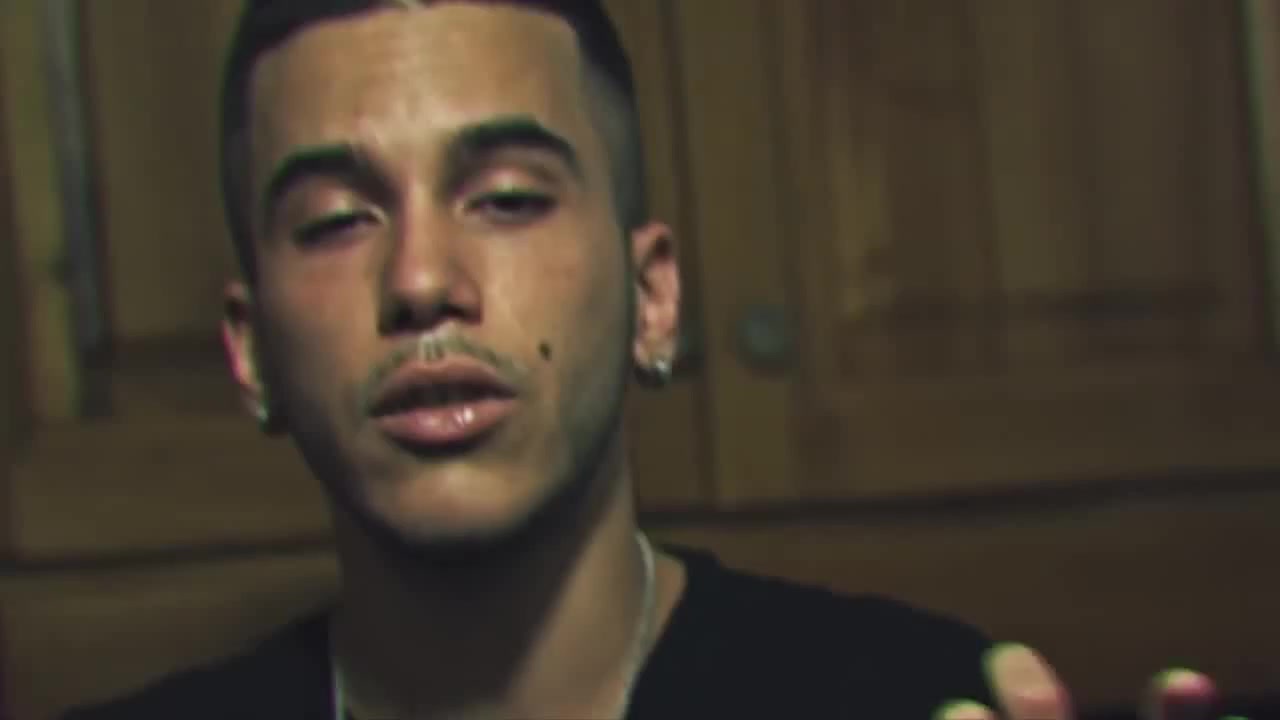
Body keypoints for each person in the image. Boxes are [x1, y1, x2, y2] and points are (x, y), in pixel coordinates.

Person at [65, 1, 1235, 718]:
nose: (421, 279)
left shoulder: (915, 703)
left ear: (653, 300)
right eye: (334, 221)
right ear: (249, 351)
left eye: (507, 198)